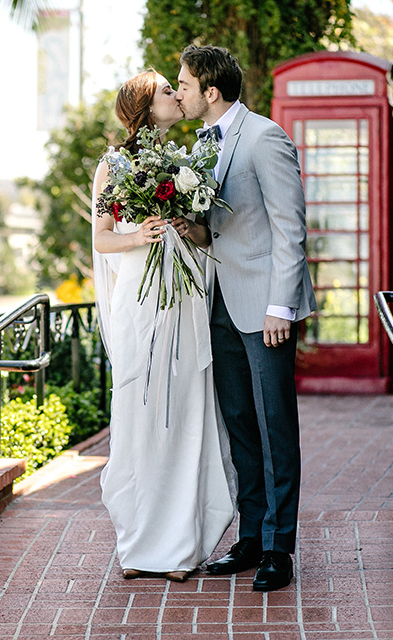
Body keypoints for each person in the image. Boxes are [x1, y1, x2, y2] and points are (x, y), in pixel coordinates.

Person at [174, 45, 316, 592]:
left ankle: (279, 547)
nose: (179, 92)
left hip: (264, 308)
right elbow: (226, 229)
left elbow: (289, 228)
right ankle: (252, 535)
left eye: (184, 84)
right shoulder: (202, 145)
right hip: (220, 304)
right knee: (239, 422)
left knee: (274, 424)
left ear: (211, 91)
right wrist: (194, 229)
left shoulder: (264, 137)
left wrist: (281, 305)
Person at [91, 70, 236, 583]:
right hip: (142, 300)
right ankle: (137, 546)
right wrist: (141, 236)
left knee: (186, 414)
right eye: (166, 91)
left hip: (185, 301)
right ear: (146, 108)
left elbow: (204, 234)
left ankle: (180, 548)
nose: (177, 95)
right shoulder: (116, 164)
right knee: (142, 414)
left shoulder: (184, 161)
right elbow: (103, 239)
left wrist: (188, 228)